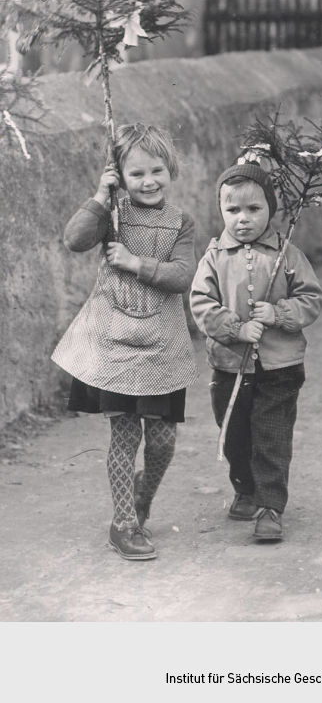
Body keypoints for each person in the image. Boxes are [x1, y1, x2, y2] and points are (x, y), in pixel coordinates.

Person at [52, 123, 198, 560]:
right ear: (119, 175)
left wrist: (135, 262)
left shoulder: (180, 223)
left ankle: (141, 497)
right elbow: (74, 240)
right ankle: (122, 523)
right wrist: (100, 197)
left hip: (161, 344)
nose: (149, 181)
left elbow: (181, 276)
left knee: (163, 441)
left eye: (157, 171)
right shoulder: (110, 214)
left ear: (170, 170)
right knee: (124, 436)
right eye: (136, 174)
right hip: (114, 340)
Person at [190, 161, 322, 542]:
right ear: (221, 211)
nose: (243, 219)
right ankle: (245, 488)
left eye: (254, 209)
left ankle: (270, 506)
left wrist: (280, 313)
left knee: (271, 435)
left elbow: (312, 298)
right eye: (233, 210)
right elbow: (200, 303)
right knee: (234, 434)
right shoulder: (215, 256)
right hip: (230, 364)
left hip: (280, 365)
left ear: (271, 209)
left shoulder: (287, 254)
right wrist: (235, 327)